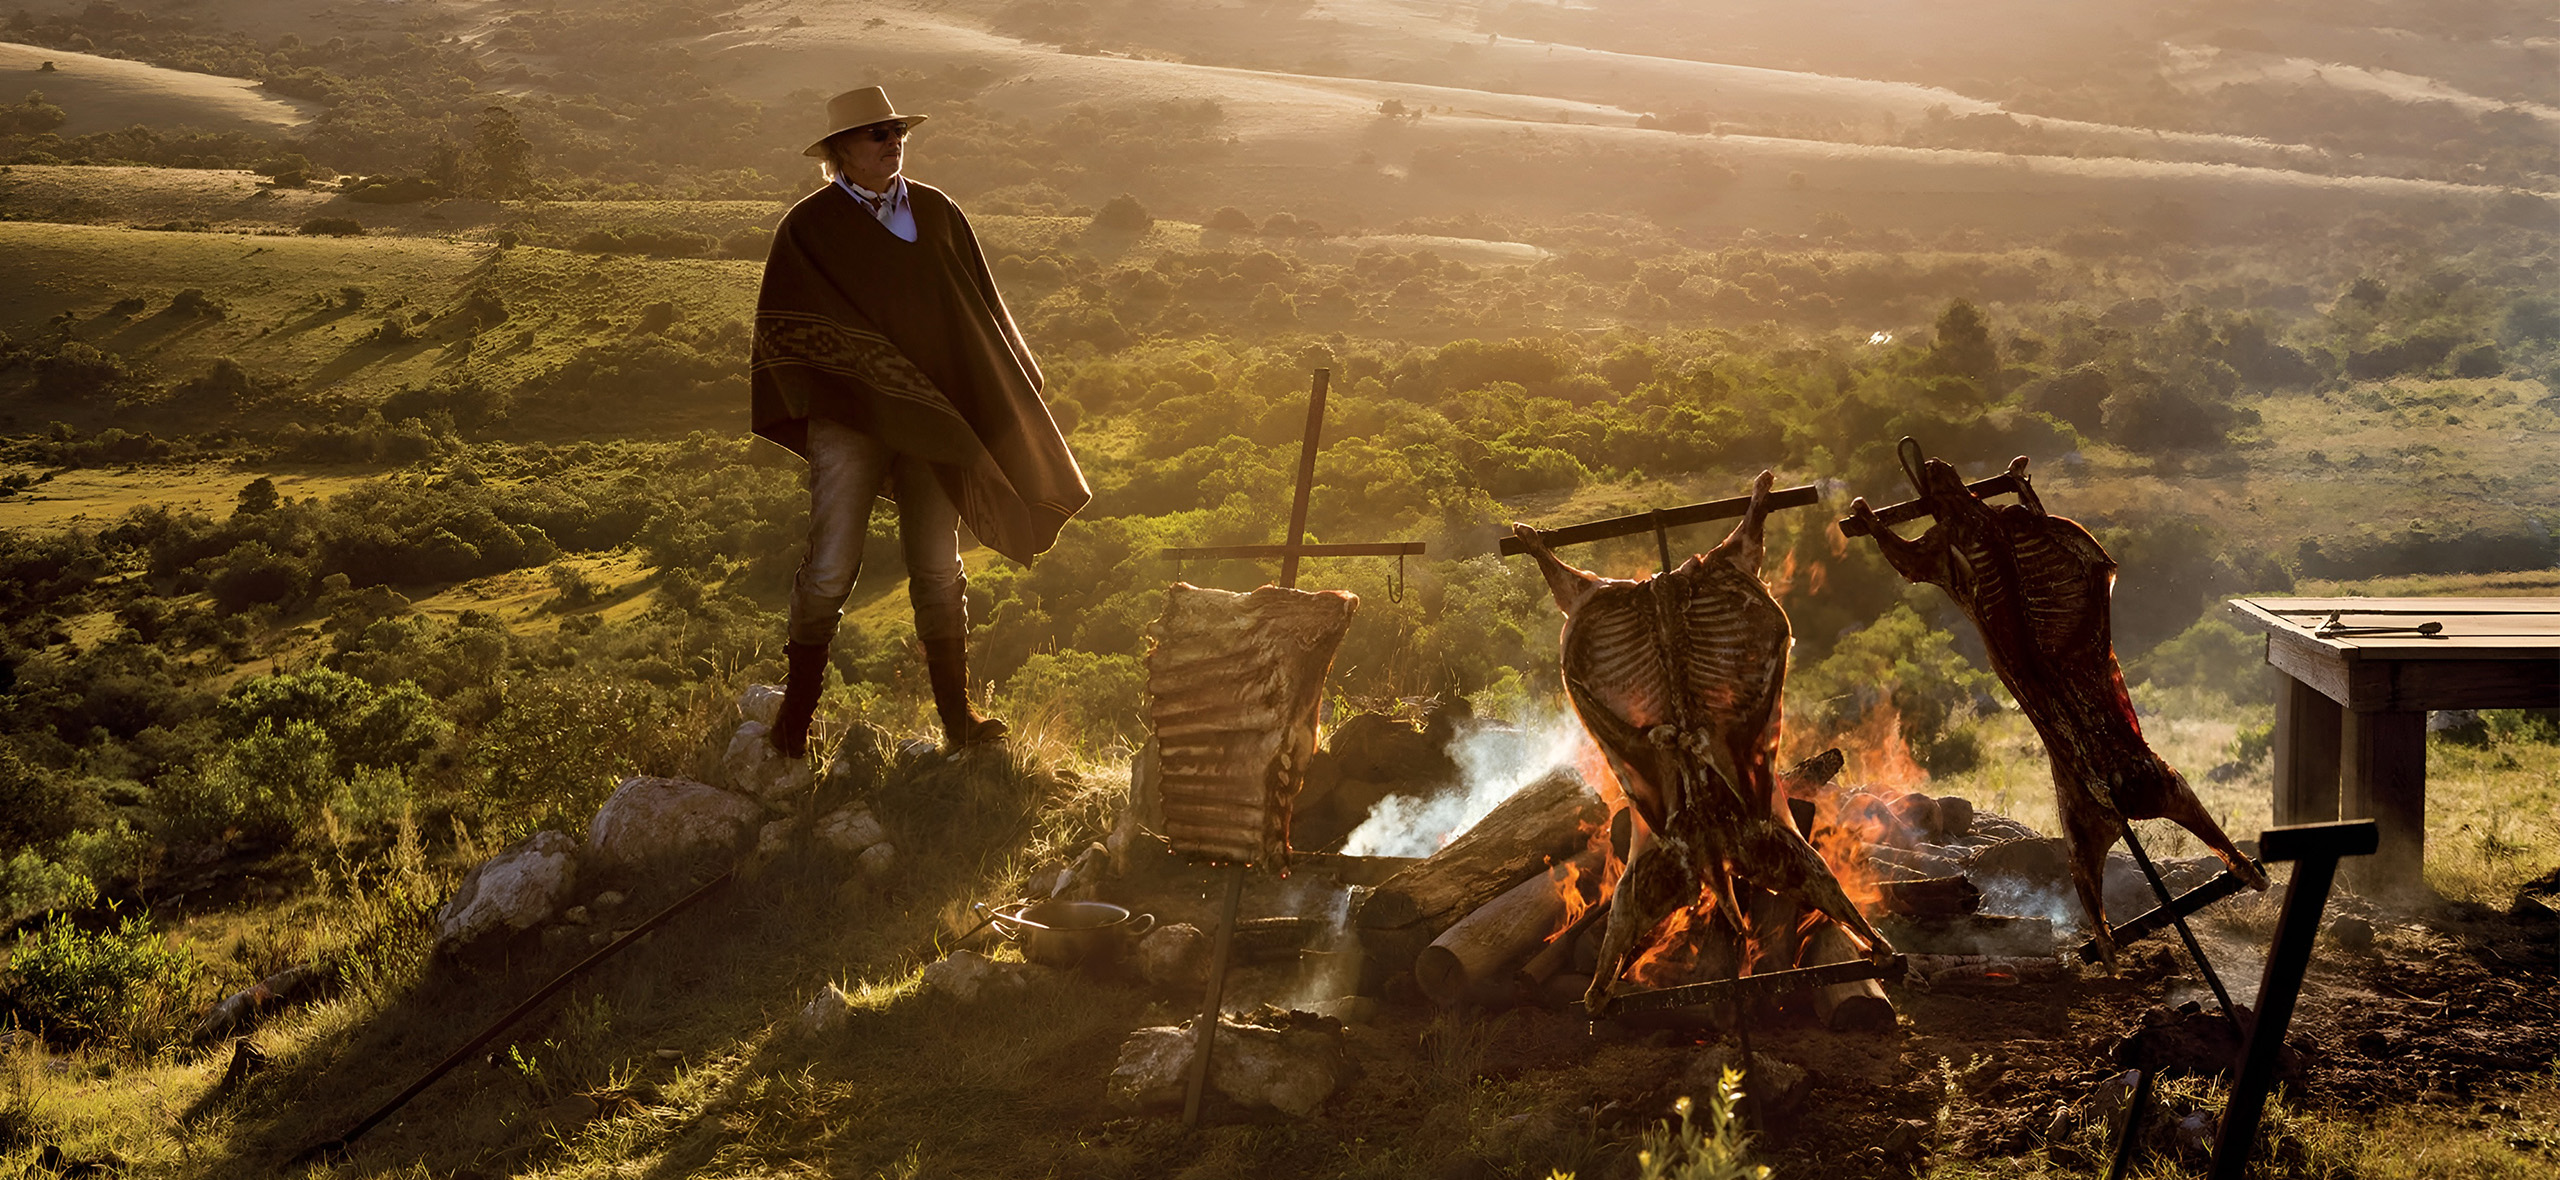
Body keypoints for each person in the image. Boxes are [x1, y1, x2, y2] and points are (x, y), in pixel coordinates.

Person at [750, 86, 1089, 756]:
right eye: (874, 133)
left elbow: (979, 313)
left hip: (938, 418)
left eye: (895, 129)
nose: (890, 140)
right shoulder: (808, 228)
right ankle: (794, 719)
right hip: (851, 418)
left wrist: (1005, 389)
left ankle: (958, 719)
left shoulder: (937, 212)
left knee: (939, 566)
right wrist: (869, 377)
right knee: (831, 566)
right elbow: (787, 328)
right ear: (840, 152)